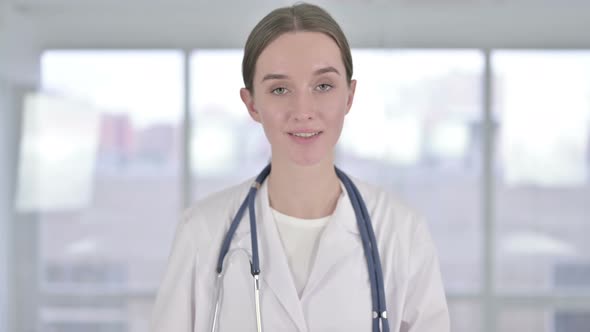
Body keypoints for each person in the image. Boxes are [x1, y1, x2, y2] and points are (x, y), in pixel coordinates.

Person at [150, 3, 450, 332]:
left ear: (349, 96)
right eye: (280, 89)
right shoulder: (202, 232)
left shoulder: (401, 233)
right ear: (251, 103)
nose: (303, 111)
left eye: (323, 86)